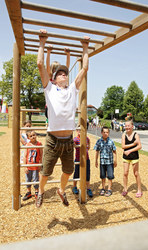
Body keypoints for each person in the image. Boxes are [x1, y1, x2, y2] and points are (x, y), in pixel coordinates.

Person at [36, 29, 89, 207]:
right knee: (45, 172)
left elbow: (85, 68)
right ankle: (41, 192)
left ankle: (61, 190)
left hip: (68, 141)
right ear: (54, 78)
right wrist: (42, 42)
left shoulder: (73, 89)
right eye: (59, 74)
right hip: (52, 140)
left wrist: (85, 47)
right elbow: (40, 64)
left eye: (65, 73)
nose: (63, 75)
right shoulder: (49, 89)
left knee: (68, 171)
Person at [121, 119, 142, 198]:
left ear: (132, 126)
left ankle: (139, 190)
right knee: (125, 173)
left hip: (134, 156)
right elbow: (123, 146)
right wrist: (133, 144)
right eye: (125, 126)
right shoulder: (124, 135)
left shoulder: (136, 134)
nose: (127, 127)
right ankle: (125, 189)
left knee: (136, 173)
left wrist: (130, 150)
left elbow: (139, 146)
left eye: (128, 126)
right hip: (126, 156)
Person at [94, 127, 117, 197]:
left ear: (109, 133)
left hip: (109, 162)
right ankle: (103, 188)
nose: (105, 134)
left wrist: (115, 160)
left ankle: (109, 189)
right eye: (104, 132)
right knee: (103, 176)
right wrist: (96, 160)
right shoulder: (99, 141)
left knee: (110, 176)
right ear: (101, 133)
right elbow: (97, 151)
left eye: (107, 132)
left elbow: (114, 151)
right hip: (102, 162)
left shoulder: (111, 141)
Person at [72, 125, 93, 198]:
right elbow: (72, 145)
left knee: (87, 173)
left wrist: (88, 146)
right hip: (78, 159)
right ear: (77, 131)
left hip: (86, 158)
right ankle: (74, 186)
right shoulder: (75, 139)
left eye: (81, 130)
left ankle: (88, 188)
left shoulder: (86, 138)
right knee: (77, 172)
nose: (80, 131)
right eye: (78, 130)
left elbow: (89, 145)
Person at [22, 130, 43, 201]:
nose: (33, 137)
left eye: (34, 135)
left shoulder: (39, 144)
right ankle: (29, 192)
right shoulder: (27, 145)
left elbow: (41, 155)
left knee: (36, 179)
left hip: (36, 166)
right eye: (31, 136)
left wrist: (40, 165)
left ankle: (36, 192)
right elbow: (25, 156)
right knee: (28, 180)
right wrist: (25, 166)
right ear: (28, 138)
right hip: (29, 166)